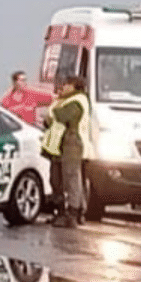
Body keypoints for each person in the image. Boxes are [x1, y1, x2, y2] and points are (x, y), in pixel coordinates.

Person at [41, 75, 92, 228]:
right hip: (58, 145)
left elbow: (62, 116)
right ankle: (61, 211)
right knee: (56, 179)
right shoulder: (63, 100)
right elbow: (48, 121)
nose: (63, 87)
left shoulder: (78, 100)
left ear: (75, 86)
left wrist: (54, 110)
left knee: (72, 179)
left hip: (72, 144)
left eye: (67, 85)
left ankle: (73, 213)